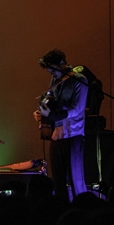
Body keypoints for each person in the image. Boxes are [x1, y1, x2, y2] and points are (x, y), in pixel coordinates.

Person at [34, 49, 88, 200]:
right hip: (56, 135)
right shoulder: (55, 81)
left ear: (62, 63)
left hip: (73, 135)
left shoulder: (79, 80)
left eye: (52, 68)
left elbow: (78, 109)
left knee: (76, 179)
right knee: (58, 180)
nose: (50, 72)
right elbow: (51, 103)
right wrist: (41, 112)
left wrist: (52, 115)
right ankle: (61, 208)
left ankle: (82, 208)